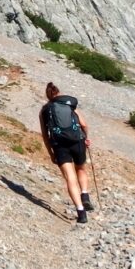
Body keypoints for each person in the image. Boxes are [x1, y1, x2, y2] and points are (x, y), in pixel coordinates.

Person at [39, 81, 94, 224]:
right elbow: (84, 124)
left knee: (70, 178)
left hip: (59, 146)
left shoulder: (44, 110)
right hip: (77, 141)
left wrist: (51, 153)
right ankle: (85, 194)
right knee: (81, 168)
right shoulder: (69, 105)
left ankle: (81, 212)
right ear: (59, 93)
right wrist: (86, 138)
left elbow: (45, 135)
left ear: (48, 95)